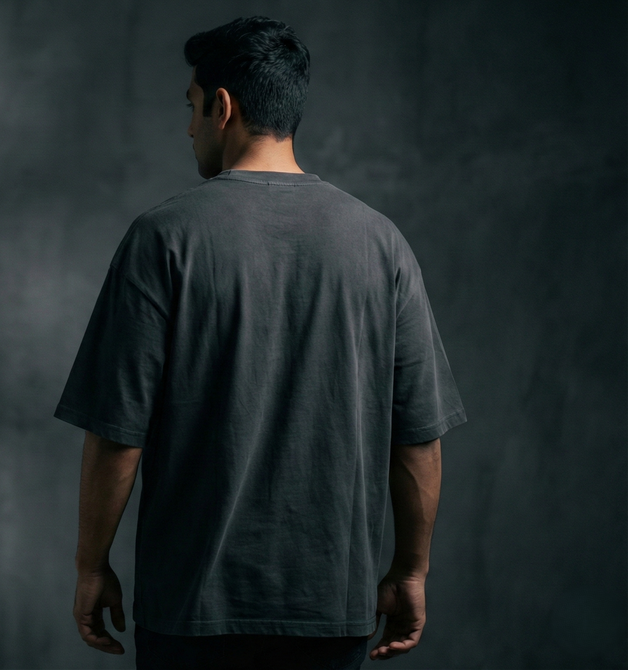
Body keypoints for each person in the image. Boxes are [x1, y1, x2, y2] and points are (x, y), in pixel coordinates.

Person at [54, 16, 467, 670]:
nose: (188, 128)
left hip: (191, 610)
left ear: (222, 107)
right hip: (330, 610)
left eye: (191, 106)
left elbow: (116, 436)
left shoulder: (163, 237)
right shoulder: (380, 243)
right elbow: (418, 438)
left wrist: (91, 565)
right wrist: (410, 572)